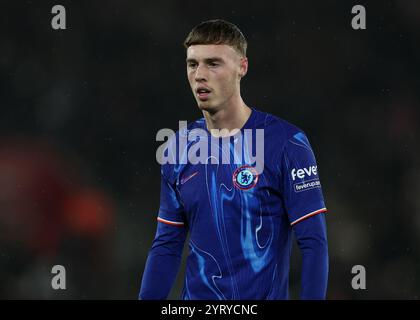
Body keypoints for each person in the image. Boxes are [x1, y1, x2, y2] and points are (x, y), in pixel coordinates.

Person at [139, 19, 328, 300]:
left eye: (213, 63)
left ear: (242, 67)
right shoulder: (177, 150)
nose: (200, 75)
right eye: (193, 64)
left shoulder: (287, 144)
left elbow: (313, 243)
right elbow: (167, 246)